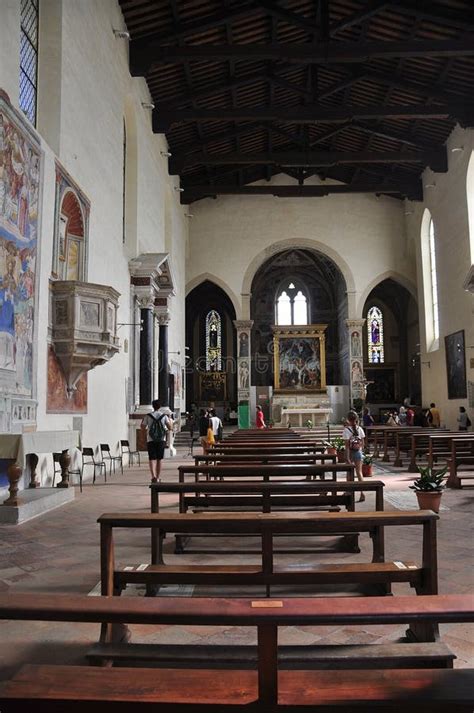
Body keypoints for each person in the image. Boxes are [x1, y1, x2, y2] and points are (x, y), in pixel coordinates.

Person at [141, 399, 171, 483]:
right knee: (159, 459)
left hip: (151, 439)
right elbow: (170, 427)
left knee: (151, 458)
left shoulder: (148, 416)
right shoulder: (164, 416)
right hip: (161, 440)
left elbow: (142, 427)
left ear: (152, 406)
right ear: (160, 406)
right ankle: (158, 477)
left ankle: (153, 476)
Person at [343, 410, 366, 502]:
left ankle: (348, 491)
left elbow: (347, 446)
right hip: (358, 452)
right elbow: (363, 443)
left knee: (349, 473)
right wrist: (359, 449)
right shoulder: (360, 429)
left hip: (350, 453)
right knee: (359, 473)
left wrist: (347, 457)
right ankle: (362, 492)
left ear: (348, 419)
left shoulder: (346, 430)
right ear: (356, 419)